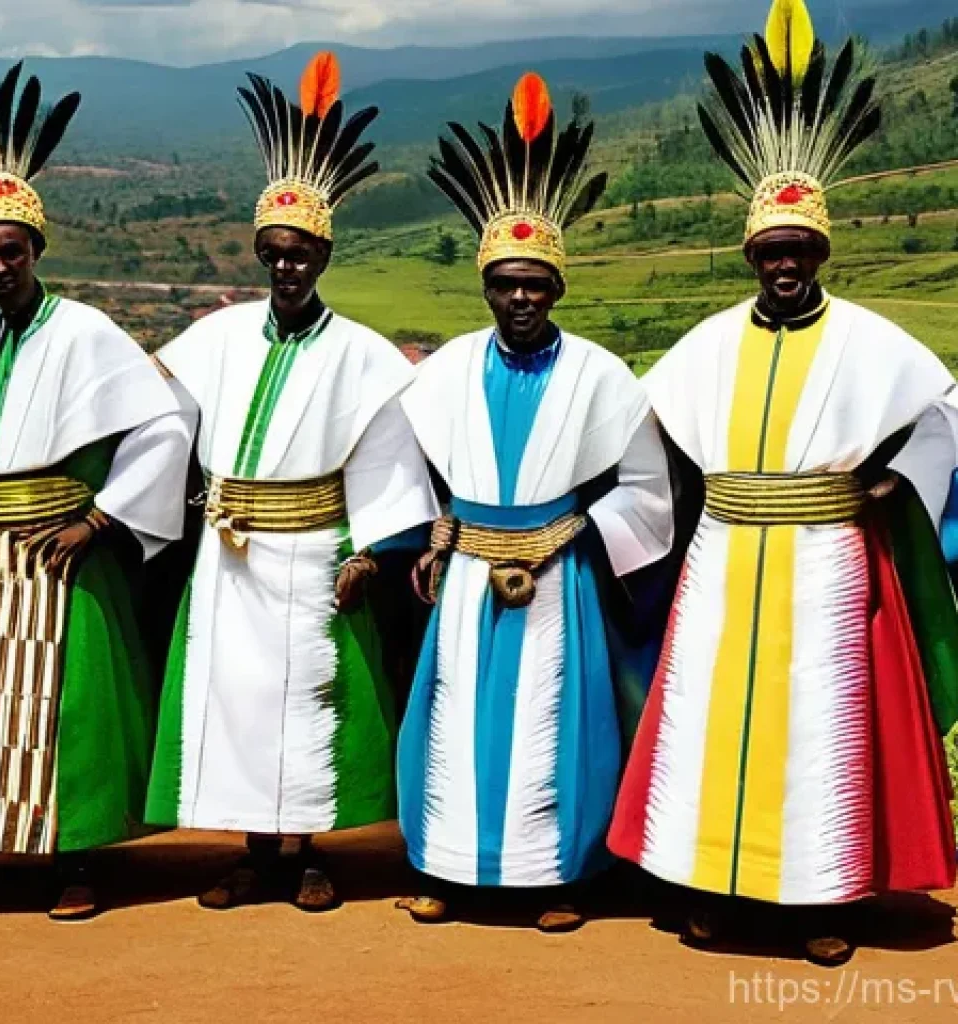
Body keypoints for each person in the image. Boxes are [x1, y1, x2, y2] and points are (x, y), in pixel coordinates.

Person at [608, 0, 958, 966]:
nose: (786, 265)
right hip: (725, 558)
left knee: (819, 727)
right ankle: (713, 886)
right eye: (771, 252)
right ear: (752, 256)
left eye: (800, 251)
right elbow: (654, 436)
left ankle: (820, 898)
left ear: (822, 254)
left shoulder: (872, 341)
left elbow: (941, 417)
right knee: (713, 724)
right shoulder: (707, 343)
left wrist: (897, 481)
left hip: (827, 562)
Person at [144, 53, 438, 912]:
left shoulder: (364, 356)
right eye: (272, 254)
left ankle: (309, 850)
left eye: (300, 254)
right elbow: (160, 416)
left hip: (316, 548)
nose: (285, 269)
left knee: (309, 701)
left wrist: (377, 554)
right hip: (229, 552)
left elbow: (387, 459)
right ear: (259, 254)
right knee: (233, 698)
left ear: (324, 254)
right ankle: (254, 852)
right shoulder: (216, 337)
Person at [395, 72, 674, 932]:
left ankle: (557, 880)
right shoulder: (440, 375)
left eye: (536, 284)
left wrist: (580, 530)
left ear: (558, 287)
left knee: (557, 724)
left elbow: (649, 490)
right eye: (505, 283)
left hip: (558, 573)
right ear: (486, 285)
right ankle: (448, 868)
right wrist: (437, 535)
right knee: (455, 715)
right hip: (472, 573)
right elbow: (409, 469)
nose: (521, 298)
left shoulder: (600, 376)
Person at [0, 63, 194, 920]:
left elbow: (162, 426)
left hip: (60, 551)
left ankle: (81, 862)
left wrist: (104, 517)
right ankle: (13, 854)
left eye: (11, 250)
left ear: (37, 249)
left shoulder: (87, 332)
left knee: (69, 710)